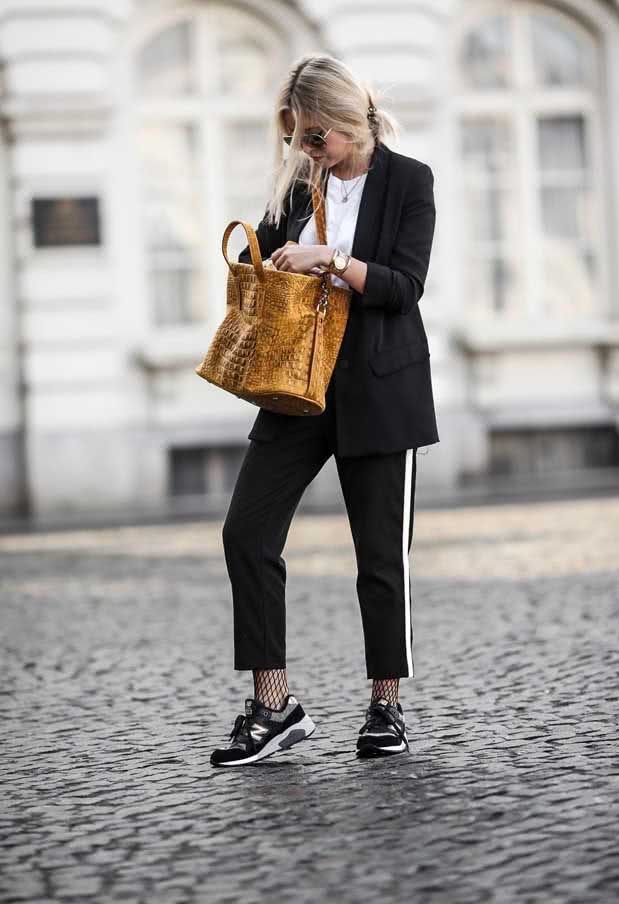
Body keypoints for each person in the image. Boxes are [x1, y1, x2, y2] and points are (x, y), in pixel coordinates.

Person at [210, 53, 438, 767]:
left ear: (346, 121)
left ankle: (386, 707)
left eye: (313, 136)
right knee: (245, 534)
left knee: (379, 561)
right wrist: (274, 261)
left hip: (379, 388)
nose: (303, 149)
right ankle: (274, 705)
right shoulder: (297, 184)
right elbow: (275, 268)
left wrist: (329, 261)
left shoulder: (409, 181)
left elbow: (404, 287)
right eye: (294, 136)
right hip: (294, 389)